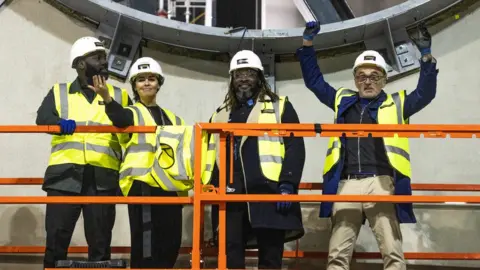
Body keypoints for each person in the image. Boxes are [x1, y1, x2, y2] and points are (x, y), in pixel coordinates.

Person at [297, 21, 438, 270]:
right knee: (337, 255)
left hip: (381, 183)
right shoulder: (342, 100)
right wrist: (307, 45)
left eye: (374, 77)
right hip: (347, 183)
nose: (368, 82)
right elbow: (315, 83)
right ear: (355, 80)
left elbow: (425, 94)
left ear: (384, 80)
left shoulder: (397, 103)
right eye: (362, 76)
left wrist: (426, 57)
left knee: (392, 252)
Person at [203, 50, 306, 269]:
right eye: (239, 74)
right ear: (232, 79)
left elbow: (295, 147)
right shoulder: (221, 113)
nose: (244, 79)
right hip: (229, 195)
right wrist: (210, 186)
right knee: (231, 255)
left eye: (249, 73)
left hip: (268, 192)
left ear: (259, 77)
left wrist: (288, 184)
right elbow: (210, 153)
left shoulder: (280, 107)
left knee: (270, 255)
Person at [36, 36, 131, 268]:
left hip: (102, 180)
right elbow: (42, 118)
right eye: (97, 58)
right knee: (56, 241)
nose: (103, 62)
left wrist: (107, 99)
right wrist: (59, 123)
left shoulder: (118, 95)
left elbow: (126, 124)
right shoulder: (59, 92)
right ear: (80, 64)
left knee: (100, 245)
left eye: (104, 58)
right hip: (64, 178)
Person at [91, 56, 185, 268]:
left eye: (151, 78)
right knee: (146, 244)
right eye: (141, 79)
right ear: (134, 85)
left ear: (159, 83)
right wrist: (107, 98)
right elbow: (119, 118)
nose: (147, 83)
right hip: (142, 185)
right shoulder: (132, 112)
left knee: (171, 240)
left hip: (168, 186)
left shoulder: (173, 118)